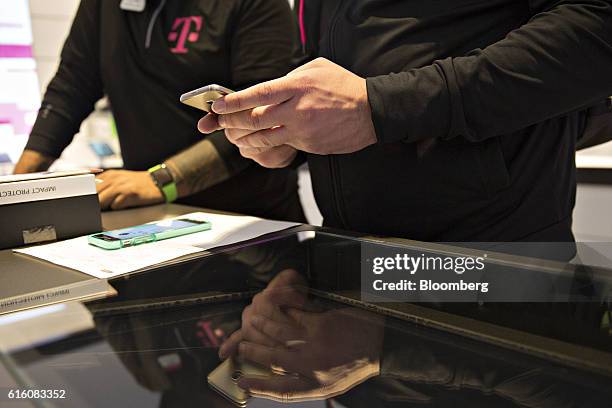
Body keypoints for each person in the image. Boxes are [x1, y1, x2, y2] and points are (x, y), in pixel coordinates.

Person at [199, 0, 612, 242]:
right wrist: (288, 132)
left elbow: (597, 25)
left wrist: (378, 107)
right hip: (354, 265)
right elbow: (343, 64)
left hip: (490, 264)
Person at [14, 0, 305, 222]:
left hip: (249, 224)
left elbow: (264, 118)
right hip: (156, 217)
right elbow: (70, 89)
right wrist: (16, 189)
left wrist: (161, 180)